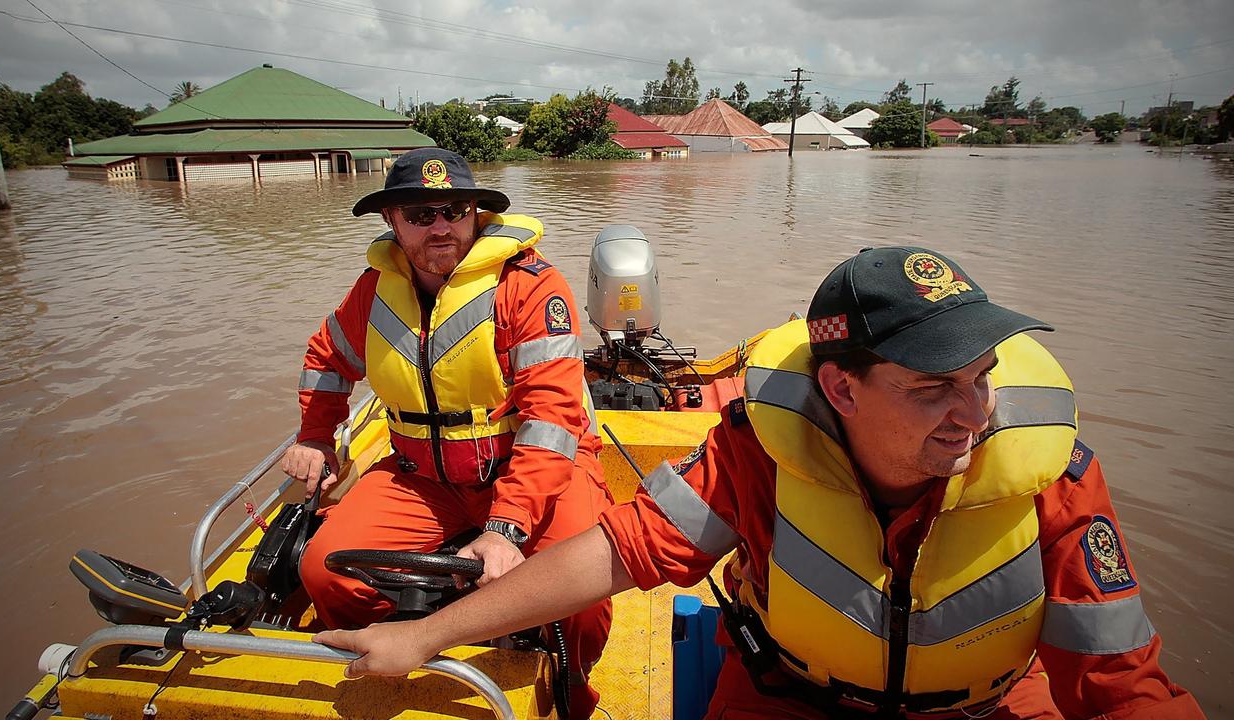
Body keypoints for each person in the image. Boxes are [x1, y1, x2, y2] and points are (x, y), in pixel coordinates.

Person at [315, 246, 1206, 719]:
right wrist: (429, 637)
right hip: (789, 704)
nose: (970, 413)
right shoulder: (758, 452)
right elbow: (621, 553)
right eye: (931, 388)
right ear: (840, 389)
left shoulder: (1054, 474)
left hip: (991, 709)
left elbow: (1121, 682)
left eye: (980, 377)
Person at [282, 147, 613, 718]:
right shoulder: (374, 291)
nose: (440, 227)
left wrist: (507, 528)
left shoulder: (531, 286)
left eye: (454, 211)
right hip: (423, 478)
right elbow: (327, 357)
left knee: (583, 601)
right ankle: (385, 670)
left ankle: (571, 692)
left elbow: (552, 421)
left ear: (475, 214)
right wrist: (315, 436)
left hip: (533, 469)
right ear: (392, 221)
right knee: (325, 571)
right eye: (420, 214)